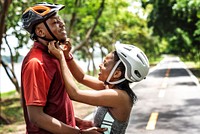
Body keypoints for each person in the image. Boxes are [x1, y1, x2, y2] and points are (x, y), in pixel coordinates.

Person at [21, 2, 106, 134]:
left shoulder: (54, 55)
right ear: (40, 32)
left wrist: (77, 122)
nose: (62, 24)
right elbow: (36, 117)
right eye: (55, 22)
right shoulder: (36, 63)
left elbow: (55, 105)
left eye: (60, 20)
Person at [48, 41, 150, 134]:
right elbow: (82, 77)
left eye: (105, 64)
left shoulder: (118, 96)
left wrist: (61, 58)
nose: (100, 66)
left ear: (117, 73)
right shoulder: (108, 88)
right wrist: (67, 56)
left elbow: (74, 94)